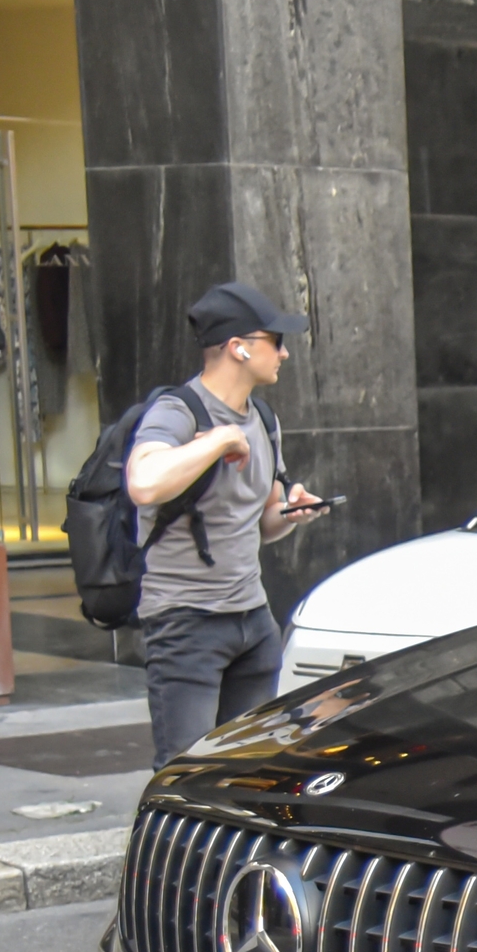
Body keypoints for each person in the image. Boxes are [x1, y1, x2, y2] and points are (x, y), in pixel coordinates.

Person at [126, 281, 328, 768]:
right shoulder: (177, 412)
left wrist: (293, 513)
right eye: (275, 341)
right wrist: (217, 442)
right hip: (186, 621)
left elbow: (263, 522)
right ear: (239, 347)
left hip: (252, 621)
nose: (283, 353)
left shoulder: (263, 417)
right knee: (185, 774)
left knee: (250, 769)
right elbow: (144, 483)